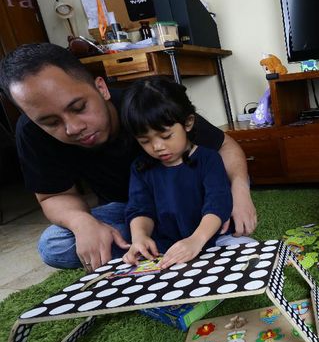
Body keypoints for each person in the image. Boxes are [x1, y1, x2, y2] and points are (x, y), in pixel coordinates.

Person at [0, 43, 257, 272]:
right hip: (131, 212)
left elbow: (225, 147)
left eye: (79, 108)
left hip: (196, 201)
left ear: (101, 88)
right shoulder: (32, 132)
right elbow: (53, 196)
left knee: (225, 212)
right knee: (54, 244)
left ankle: (185, 241)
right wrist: (82, 223)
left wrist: (239, 193)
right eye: (50, 122)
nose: (72, 128)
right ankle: (149, 248)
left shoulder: (145, 107)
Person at [120, 77, 252, 269]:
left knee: (249, 252)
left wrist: (196, 241)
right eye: (144, 141)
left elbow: (217, 204)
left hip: (213, 240)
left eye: (166, 136)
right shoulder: (141, 167)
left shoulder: (208, 159)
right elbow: (140, 209)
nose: (157, 147)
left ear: (188, 123)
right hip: (167, 248)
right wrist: (140, 237)